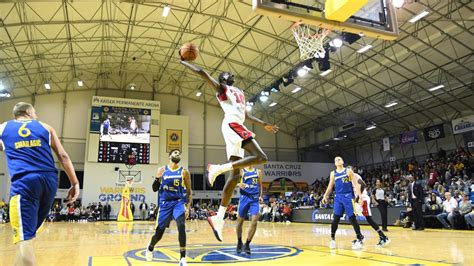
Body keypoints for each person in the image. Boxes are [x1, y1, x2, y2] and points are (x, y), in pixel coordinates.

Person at [180, 60, 279, 242]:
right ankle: (217, 168)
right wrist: (185, 61)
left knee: (235, 178)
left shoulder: (240, 92)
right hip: (232, 125)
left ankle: (218, 218)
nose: (230, 74)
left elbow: (246, 115)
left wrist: (264, 124)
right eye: (227, 73)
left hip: (237, 124)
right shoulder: (222, 89)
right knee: (261, 157)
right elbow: (202, 72)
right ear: (223, 78)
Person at [0, 102, 80, 265]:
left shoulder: (2, 129)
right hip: (49, 183)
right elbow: (63, 156)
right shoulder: (45, 127)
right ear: (28, 112)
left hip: (25, 183)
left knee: (25, 240)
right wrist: (74, 183)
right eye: (35, 113)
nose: (36, 116)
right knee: (26, 238)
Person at [145, 149, 192, 266]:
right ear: (170, 156)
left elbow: (189, 191)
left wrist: (188, 206)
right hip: (165, 204)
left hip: (178, 203)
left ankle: (182, 259)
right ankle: (150, 247)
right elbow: (154, 189)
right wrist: (157, 178)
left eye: (179, 153)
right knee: (159, 234)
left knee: (181, 225)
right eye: (175, 152)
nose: (177, 154)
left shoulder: (184, 172)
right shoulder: (162, 170)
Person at [322, 156, 364, 250]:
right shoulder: (333, 173)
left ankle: (359, 239)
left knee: (352, 219)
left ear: (343, 161)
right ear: (334, 163)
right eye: (336, 160)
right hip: (338, 198)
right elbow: (330, 187)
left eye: (339, 159)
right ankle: (332, 239)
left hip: (348, 197)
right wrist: (325, 196)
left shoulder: (348, 171)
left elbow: (356, 185)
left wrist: (360, 197)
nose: (337, 160)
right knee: (335, 219)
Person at [353, 171, 390, 246]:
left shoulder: (354, 176)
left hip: (362, 199)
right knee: (352, 217)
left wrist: (357, 198)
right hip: (359, 200)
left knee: (368, 219)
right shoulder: (348, 178)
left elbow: (363, 184)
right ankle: (360, 237)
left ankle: (383, 237)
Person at [235, 166, 263, 255]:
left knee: (254, 221)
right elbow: (234, 181)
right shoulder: (242, 171)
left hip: (254, 199)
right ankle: (239, 241)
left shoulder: (258, 171)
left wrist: (261, 196)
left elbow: (260, 185)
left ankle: (247, 244)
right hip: (244, 198)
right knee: (240, 221)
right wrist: (239, 184)